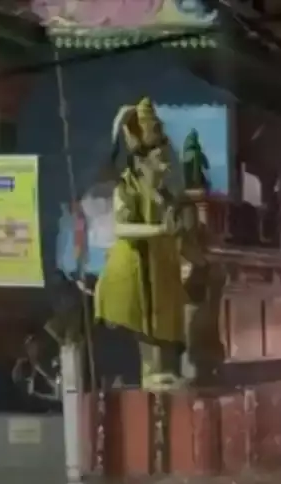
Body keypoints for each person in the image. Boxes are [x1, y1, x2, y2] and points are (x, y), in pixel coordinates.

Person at [93, 96, 187, 390]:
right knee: (143, 319)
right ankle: (150, 373)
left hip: (160, 266)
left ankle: (162, 370)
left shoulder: (164, 196)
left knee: (165, 318)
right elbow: (121, 227)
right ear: (144, 161)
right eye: (161, 158)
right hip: (133, 266)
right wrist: (160, 230)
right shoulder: (127, 187)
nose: (167, 164)